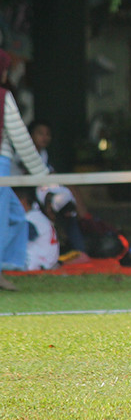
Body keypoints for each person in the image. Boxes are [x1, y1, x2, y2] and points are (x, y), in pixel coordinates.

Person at [0, 49, 50, 290]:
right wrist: (42, 173)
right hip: (0, 165)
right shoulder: (4, 96)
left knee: (15, 217)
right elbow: (20, 137)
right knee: (4, 220)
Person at [11, 119, 90, 255]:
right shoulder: (22, 153)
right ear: (30, 136)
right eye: (40, 133)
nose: (45, 137)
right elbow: (35, 175)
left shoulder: (44, 154)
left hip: (37, 194)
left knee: (67, 207)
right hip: (17, 195)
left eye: (48, 134)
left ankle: (80, 245)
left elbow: (48, 176)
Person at [15, 188, 60, 271]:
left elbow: (28, 235)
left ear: (23, 201)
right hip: (47, 259)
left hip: (38, 261)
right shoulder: (35, 216)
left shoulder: (31, 218)